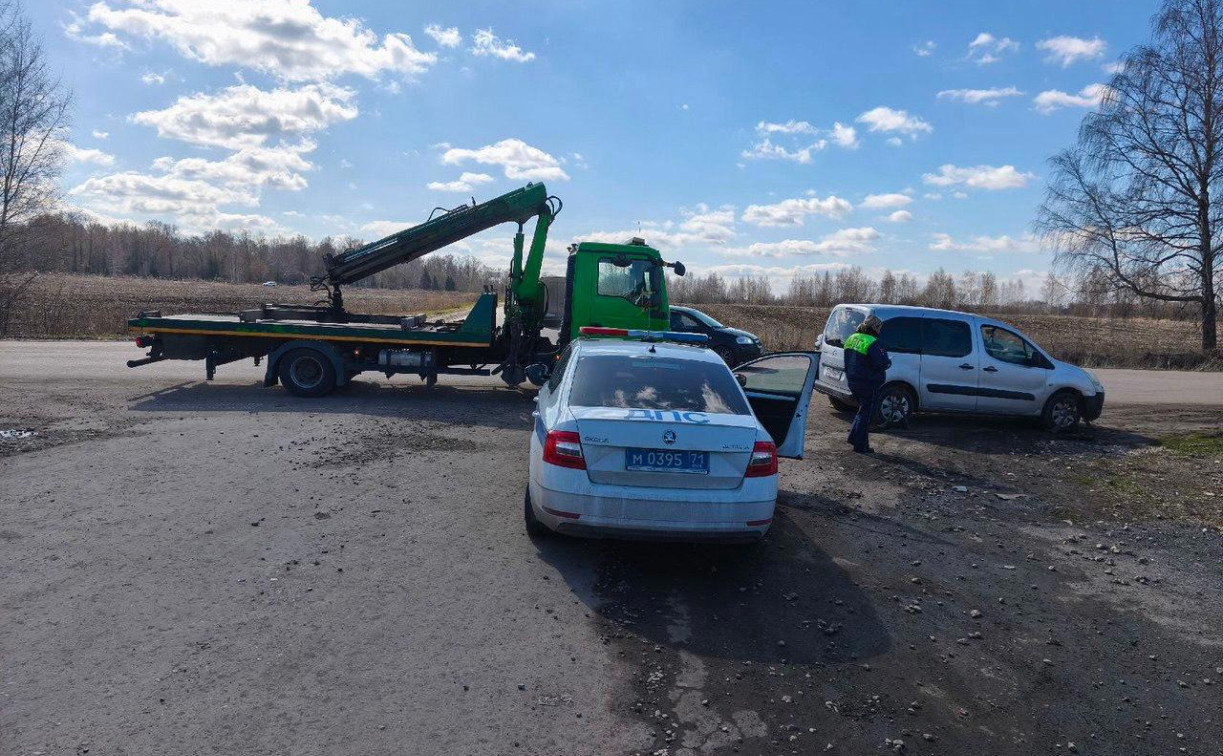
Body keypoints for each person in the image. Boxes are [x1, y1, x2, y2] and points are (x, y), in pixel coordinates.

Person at [843, 315, 891, 454]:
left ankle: (854, 438)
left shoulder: (851, 338)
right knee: (866, 414)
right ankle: (860, 446)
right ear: (875, 327)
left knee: (863, 411)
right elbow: (880, 363)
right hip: (869, 383)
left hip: (853, 381)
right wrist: (888, 362)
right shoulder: (873, 342)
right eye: (879, 328)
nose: (880, 330)